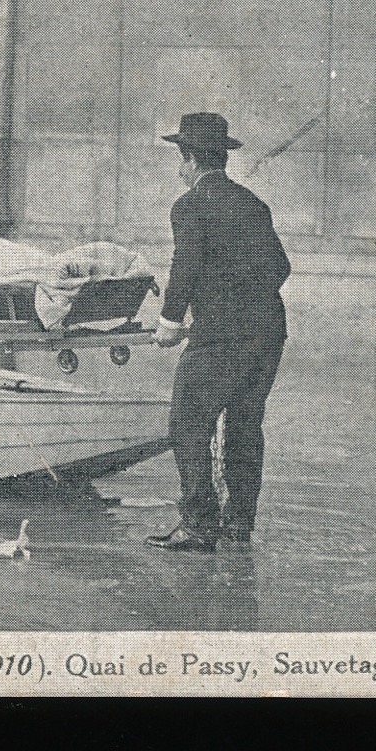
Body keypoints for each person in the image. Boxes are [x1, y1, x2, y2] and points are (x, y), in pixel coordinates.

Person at [145, 112, 290, 552]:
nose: (179, 169)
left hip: (220, 337)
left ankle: (198, 525)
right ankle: (238, 525)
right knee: (245, 427)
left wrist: (170, 322)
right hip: (268, 334)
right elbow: (280, 267)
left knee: (188, 426)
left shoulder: (189, 206)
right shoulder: (253, 204)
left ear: (190, 159)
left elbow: (185, 267)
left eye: (180, 158)